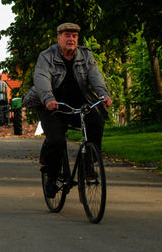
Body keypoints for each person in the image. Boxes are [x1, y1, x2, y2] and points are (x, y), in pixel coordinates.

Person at [33, 22, 112, 198]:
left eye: (74, 36)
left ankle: (88, 165)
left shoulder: (85, 55)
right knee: (57, 140)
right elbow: (41, 78)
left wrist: (103, 94)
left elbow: (95, 76)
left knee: (96, 122)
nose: (71, 39)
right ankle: (51, 178)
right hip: (52, 106)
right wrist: (48, 99)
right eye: (67, 35)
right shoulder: (46, 56)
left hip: (79, 103)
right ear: (58, 38)